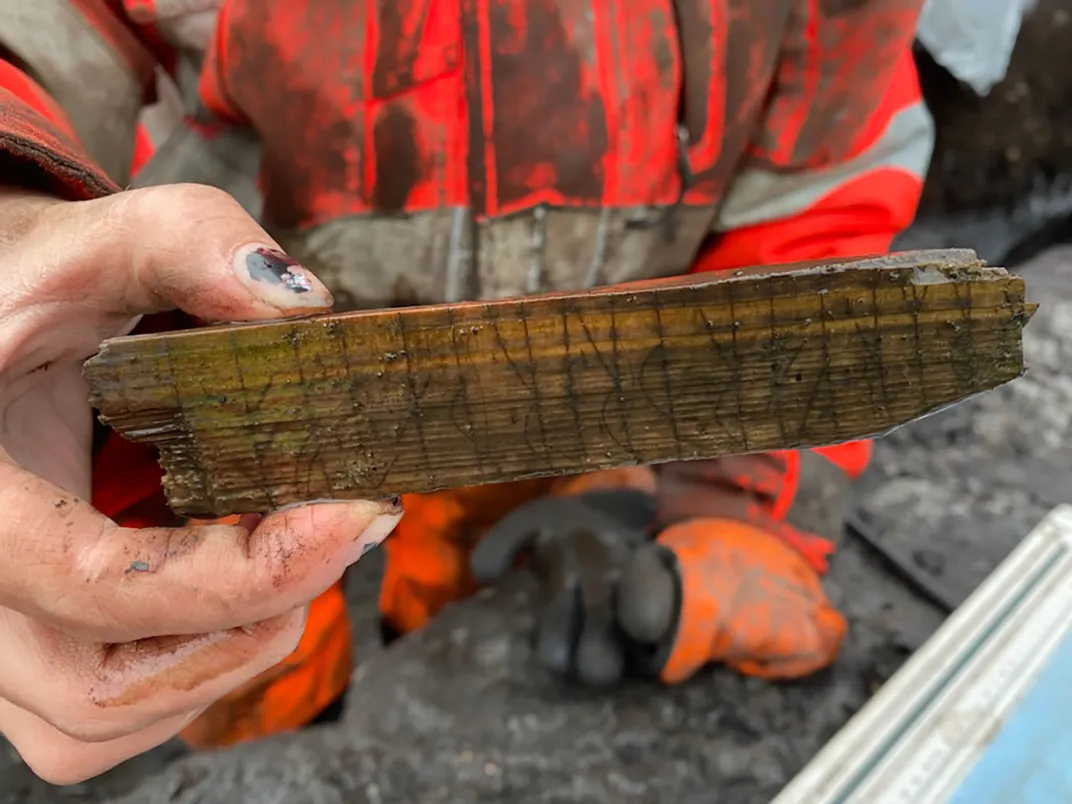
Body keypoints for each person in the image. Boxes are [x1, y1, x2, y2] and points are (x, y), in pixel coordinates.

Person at [0, 0, 934, 784]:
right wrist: (15, 197)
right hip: (228, 420)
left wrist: (745, 506)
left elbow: (819, 191)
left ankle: (407, 642)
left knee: (469, 573)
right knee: (236, 656)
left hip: (558, 419)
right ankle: (279, 734)